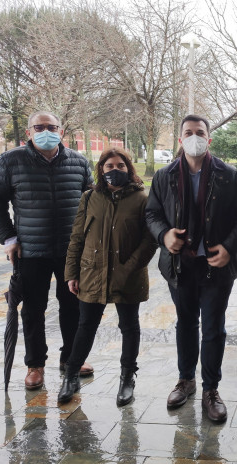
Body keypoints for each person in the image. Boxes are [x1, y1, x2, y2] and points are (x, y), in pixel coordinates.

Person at [146, 114, 237, 422]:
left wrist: (229, 247)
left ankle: (211, 390)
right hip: (180, 265)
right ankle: (185, 380)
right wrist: (163, 234)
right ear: (180, 140)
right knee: (185, 324)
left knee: (212, 328)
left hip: (216, 266)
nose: (195, 137)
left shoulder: (228, 175)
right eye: (189, 133)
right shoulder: (164, 176)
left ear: (209, 138)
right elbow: (152, 214)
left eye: (200, 132)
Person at [0, 111, 94, 390]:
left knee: (73, 306)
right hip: (30, 251)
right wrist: (9, 239)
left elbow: (93, 203)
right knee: (33, 310)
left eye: (51, 127)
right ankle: (35, 365)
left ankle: (71, 357)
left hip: (71, 251)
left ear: (61, 131)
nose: (46, 131)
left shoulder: (79, 162)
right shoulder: (11, 161)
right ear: (29, 133)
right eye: (39, 127)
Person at [57, 148, 157, 406]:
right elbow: (77, 238)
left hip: (129, 275)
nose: (115, 170)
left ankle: (126, 378)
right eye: (109, 165)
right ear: (101, 169)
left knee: (129, 326)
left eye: (120, 165)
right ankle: (71, 375)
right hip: (92, 273)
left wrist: (128, 268)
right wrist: (71, 273)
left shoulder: (142, 198)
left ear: (129, 168)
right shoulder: (90, 197)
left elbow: (149, 241)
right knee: (86, 325)